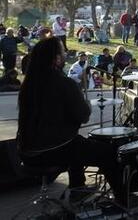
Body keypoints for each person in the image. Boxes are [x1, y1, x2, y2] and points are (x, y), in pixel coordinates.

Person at [16, 38, 123, 201]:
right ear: (56, 58)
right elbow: (83, 116)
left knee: (76, 143)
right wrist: (86, 104)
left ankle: (78, 189)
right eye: (62, 51)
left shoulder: (29, 84)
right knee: (108, 152)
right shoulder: (65, 83)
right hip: (52, 151)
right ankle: (124, 200)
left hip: (27, 151)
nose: (65, 54)